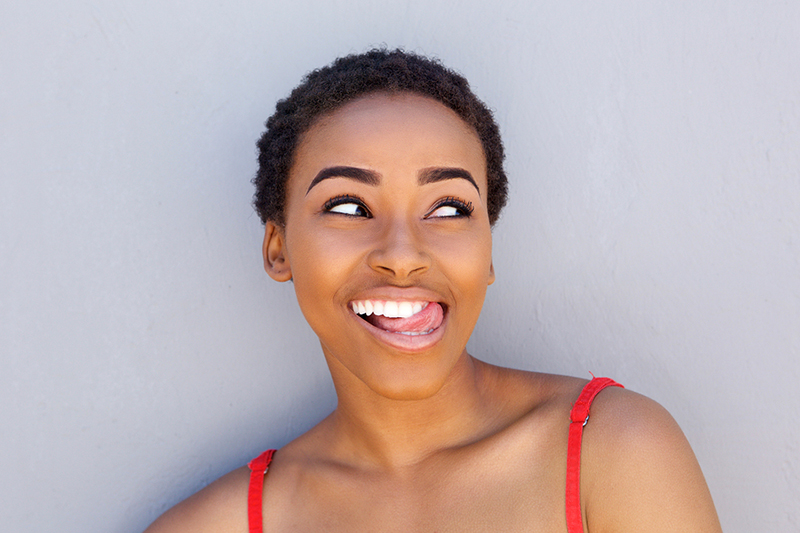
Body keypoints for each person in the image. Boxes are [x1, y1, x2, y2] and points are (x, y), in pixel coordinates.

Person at [145, 49, 722, 532]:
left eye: (448, 208)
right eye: (348, 206)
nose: (401, 255)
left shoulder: (616, 450)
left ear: (487, 251)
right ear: (279, 249)